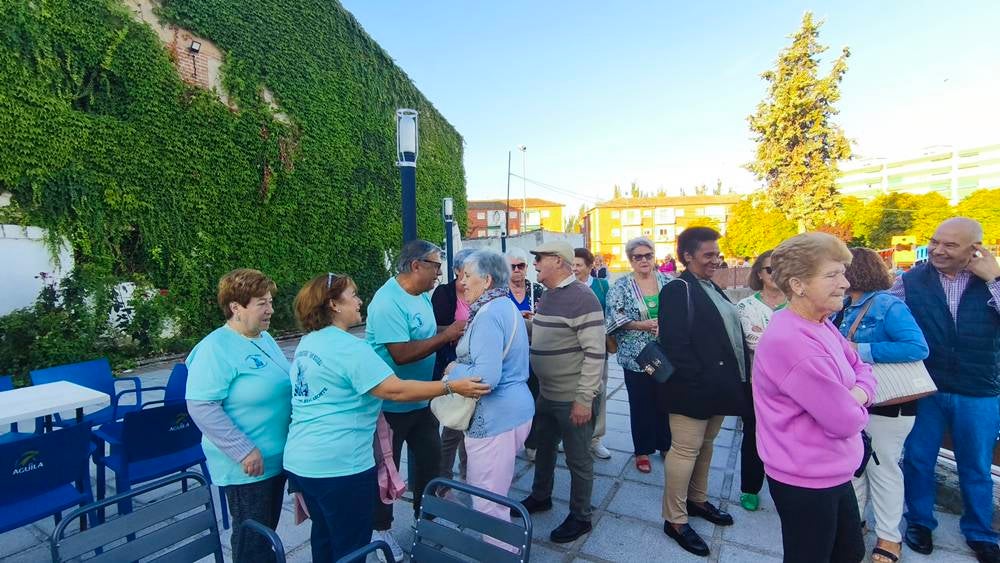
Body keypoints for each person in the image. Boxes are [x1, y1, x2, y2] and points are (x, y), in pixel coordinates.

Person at [283, 273, 489, 563]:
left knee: (325, 537)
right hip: (340, 466)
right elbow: (395, 389)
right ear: (333, 304)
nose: (359, 301)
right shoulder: (350, 348)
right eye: (353, 295)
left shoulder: (309, 342)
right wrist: (451, 386)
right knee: (351, 545)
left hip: (302, 463)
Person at [753, 232, 876, 563]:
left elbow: (861, 368)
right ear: (798, 285)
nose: (845, 283)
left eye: (843, 272)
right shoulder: (792, 341)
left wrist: (855, 393)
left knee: (849, 552)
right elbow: (845, 420)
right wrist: (858, 399)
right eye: (832, 274)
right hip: (806, 478)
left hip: (831, 469)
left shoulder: (820, 324)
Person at [893, 218, 1000, 563]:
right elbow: (883, 315)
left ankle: (980, 532)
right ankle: (920, 522)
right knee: (919, 458)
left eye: (950, 245)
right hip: (926, 387)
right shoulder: (910, 280)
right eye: (935, 241)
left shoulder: (991, 283)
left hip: (978, 388)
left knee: (977, 465)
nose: (938, 250)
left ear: (975, 249)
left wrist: (995, 278)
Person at [366, 240, 467, 560]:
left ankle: (428, 520)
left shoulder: (421, 294)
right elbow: (403, 352)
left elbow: (424, 334)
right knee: (386, 472)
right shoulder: (386, 302)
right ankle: (381, 531)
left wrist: (450, 331)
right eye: (436, 266)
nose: (440, 273)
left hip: (422, 399)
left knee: (430, 461)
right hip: (391, 405)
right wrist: (448, 334)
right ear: (416, 266)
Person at [186, 269, 292, 563]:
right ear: (236, 307)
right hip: (248, 466)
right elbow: (202, 406)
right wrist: (243, 450)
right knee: (253, 542)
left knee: (266, 531)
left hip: (275, 458)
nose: (270, 309)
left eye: (270, 301)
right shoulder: (214, 349)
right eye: (262, 303)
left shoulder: (263, 338)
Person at [658, 227, 751, 557]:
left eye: (717, 254)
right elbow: (676, 346)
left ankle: (697, 500)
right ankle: (675, 519)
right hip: (691, 390)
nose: (716, 260)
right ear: (687, 256)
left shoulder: (712, 286)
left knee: (706, 446)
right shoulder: (677, 290)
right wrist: (701, 381)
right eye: (708, 255)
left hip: (719, 387)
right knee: (684, 451)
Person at [837, 247, 929, 563]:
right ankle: (856, 522)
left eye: (838, 268)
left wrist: (857, 349)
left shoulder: (888, 305)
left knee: (882, 469)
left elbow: (917, 347)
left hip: (889, 403)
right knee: (855, 468)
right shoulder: (845, 306)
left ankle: (890, 538)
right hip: (859, 400)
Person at [514, 240, 605, 544]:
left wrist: (584, 399)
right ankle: (541, 496)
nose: (535, 264)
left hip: (572, 396)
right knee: (545, 448)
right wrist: (520, 325)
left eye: (539, 258)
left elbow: (595, 353)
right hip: (548, 393)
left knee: (579, 459)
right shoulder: (550, 295)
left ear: (558, 261)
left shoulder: (583, 297)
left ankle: (581, 517)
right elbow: (546, 333)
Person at [442, 249, 534, 544]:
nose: (462, 282)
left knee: (487, 503)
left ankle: (501, 552)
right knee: (495, 494)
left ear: (488, 280)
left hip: (495, 420)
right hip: (513, 413)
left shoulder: (487, 315)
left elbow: (487, 379)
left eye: (468, 276)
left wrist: (454, 371)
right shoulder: (504, 306)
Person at [606, 237, 672, 473]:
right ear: (630, 259)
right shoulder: (621, 286)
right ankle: (642, 450)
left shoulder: (667, 281)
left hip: (664, 354)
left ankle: (665, 444)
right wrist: (642, 325)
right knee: (641, 402)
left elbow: (679, 311)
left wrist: (666, 324)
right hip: (636, 356)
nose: (644, 260)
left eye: (648, 255)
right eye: (638, 257)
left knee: (664, 400)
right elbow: (614, 317)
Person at [734, 250, 786, 513]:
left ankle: (786, 488)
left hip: (794, 388)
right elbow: (754, 343)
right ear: (759, 274)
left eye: (780, 267)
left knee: (788, 439)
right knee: (753, 436)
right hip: (757, 385)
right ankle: (750, 488)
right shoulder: (745, 308)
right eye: (769, 269)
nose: (774, 274)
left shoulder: (801, 303)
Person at [431, 248, 476, 485]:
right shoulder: (444, 293)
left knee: (470, 425)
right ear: (457, 270)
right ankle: (444, 479)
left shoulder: (480, 291)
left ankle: (469, 478)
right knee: (452, 425)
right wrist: (455, 329)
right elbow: (435, 330)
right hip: (450, 363)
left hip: (473, 364)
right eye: (467, 269)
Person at [572, 247, 612, 460]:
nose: (575, 269)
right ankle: (571, 436)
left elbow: (612, 314)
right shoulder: (566, 287)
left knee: (599, 392)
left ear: (589, 267)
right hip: (572, 350)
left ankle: (596, 439)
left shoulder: (602, 286)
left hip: (597, 349)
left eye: (579, 265)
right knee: (572, 393)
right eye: (572, 264)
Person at [506, 247, 545, 460]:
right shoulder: (501, 291)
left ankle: (533, 443)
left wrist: (534, 319)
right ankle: (511, 442)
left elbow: (548, 316)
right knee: (513, 400)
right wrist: (516, 317)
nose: (517, 270)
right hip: (512, 356)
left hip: (534, 352)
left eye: (521, 266)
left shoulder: (537, 290)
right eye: (513, 267)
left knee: (536, 398)